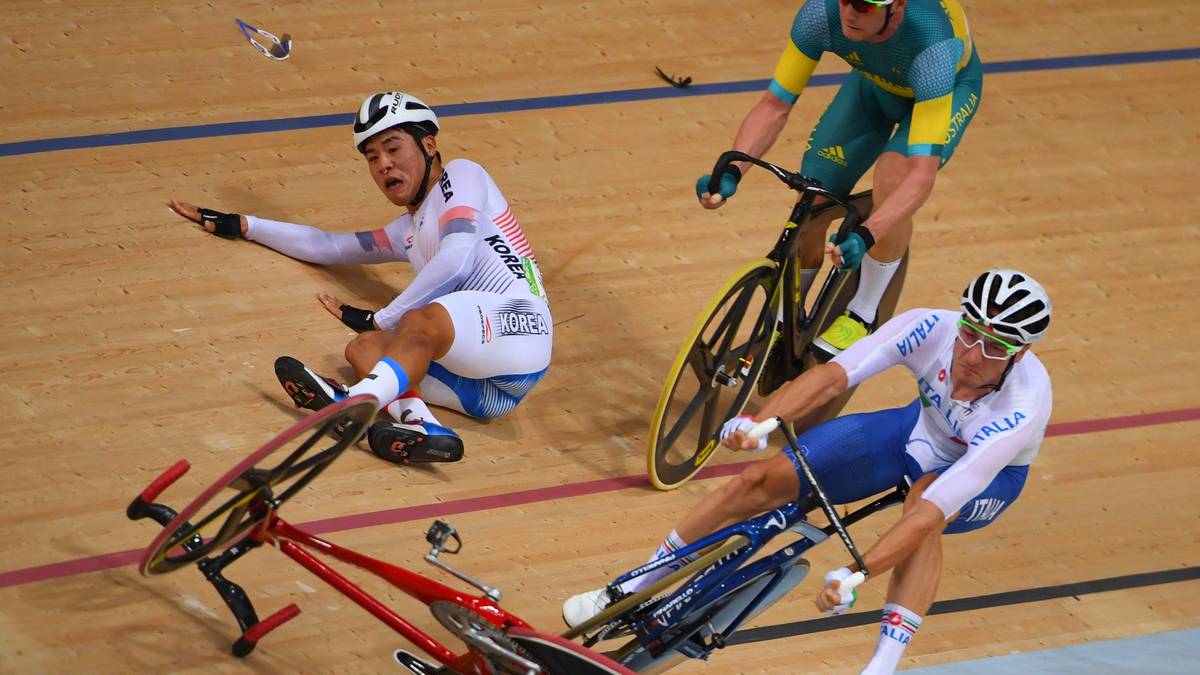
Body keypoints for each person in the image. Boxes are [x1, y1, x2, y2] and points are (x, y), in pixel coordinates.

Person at [564, 269, 1052, 675]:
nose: (970, 354)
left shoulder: (1023, 405)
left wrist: (856, 573)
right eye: (970, 333)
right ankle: (632, 587)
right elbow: (833, 376)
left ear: (1021, 352)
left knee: (922, 503)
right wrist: (763, 422)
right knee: (759, 480)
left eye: (993, 346)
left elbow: (931, 512)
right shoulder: (929, 327)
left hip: (986, 480)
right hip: (914, 432)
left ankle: (882, 664)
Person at [169, 92, 552, 465]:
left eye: (393, 148)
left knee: (417, 320)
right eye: (372, 157)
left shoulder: (462, 176)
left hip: (523, 327)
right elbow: (330, 247)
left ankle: (355, 400)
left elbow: (456, 261)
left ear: (430, 144)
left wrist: (385, 316)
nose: (383, 164)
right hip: (488, 390)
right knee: (364, 348)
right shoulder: (408, 230)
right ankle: (426, 427)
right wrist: (245, 225)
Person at [696, 0, 982, 361]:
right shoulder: (821, 14)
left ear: (896, 7)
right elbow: (774, 105)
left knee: (892, 181)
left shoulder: (932, 43)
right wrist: (734, 167)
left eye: (863, 6)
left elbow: (921, 175)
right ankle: (788, 321)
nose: (849, 12)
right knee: (813, 196)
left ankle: (863, 311)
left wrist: (867, 232)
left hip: (946, 92)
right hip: (874, 87)